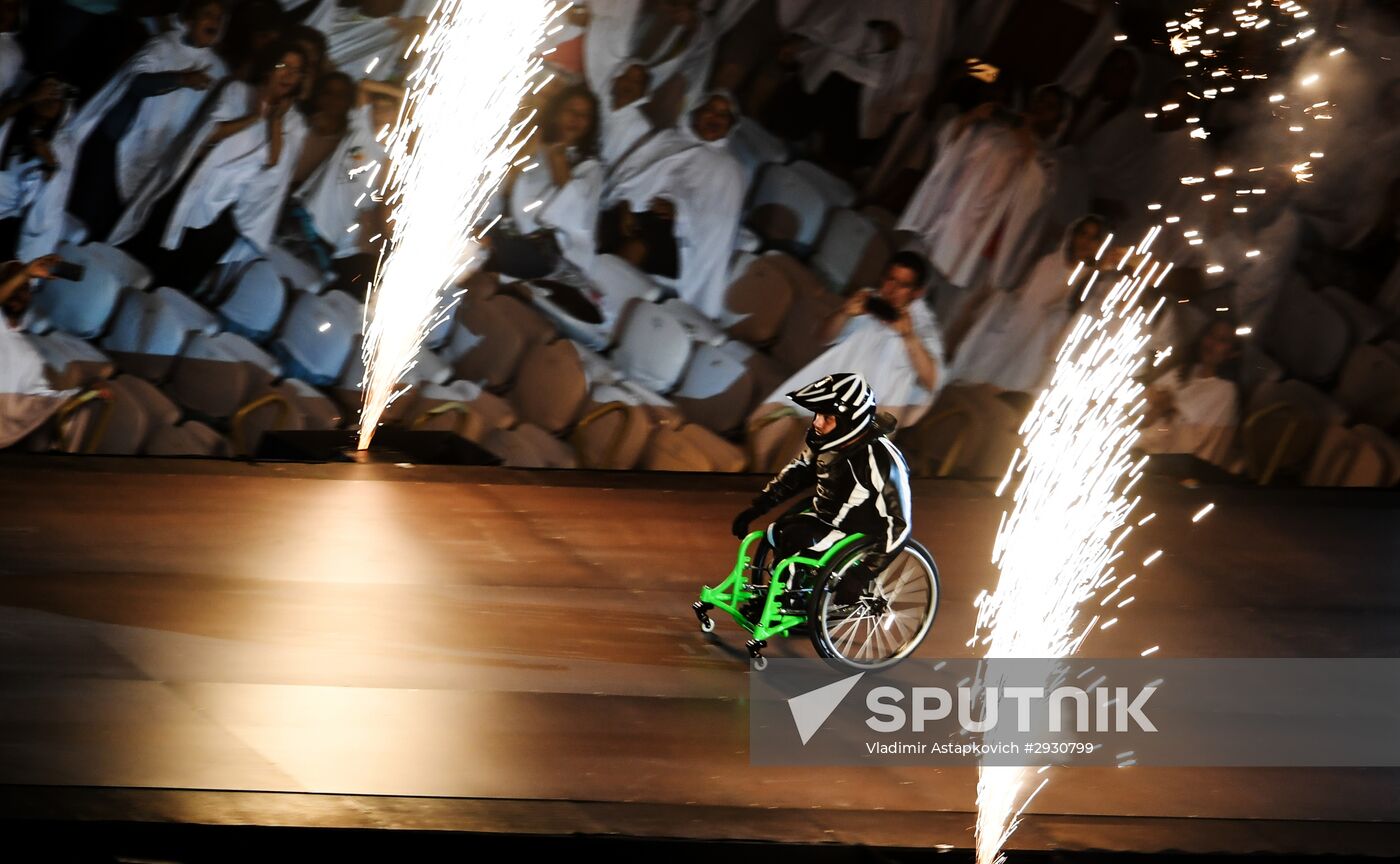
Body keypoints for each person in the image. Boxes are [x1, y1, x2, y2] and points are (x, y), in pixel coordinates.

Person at [22, 0, 227, 252]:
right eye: (208, 14)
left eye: (219, 18)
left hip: (151, 158)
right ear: (190, 20)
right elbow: (136, 83)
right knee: (78, 219)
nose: (214, 22)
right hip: (113, 146)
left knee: (100, 231)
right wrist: (181, 78)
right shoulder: (164, 45)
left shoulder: (219, 70)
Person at [109, 41, 307, 293]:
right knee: (146, 252)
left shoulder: (296, 123)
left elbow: (274, 163)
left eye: (296, 70)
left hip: (227, 204)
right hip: (192, 180)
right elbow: (209, 134)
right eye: (283, 66)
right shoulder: (237, 91)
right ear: (269, 69)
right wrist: (255, 117)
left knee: (177, 276)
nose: (288, 74)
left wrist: (275, 121)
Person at [731, 372, 913, 607]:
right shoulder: (828, 443)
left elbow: (899, 524)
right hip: (826, 517)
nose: (817, 423)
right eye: (817, 414)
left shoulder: (880, 459)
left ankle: (790, 599)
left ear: (850, 420)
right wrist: (758, 507)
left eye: (827, 417)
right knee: (777, 531)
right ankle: (784, 593)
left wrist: (864, 572)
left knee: (798, 543)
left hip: (858, 529)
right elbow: (795, 475)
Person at [897, 84, 1070, 323]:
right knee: (905, 276)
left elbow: (1036, 193)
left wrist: (1025, 138)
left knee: (943, 313)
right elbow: (950, 143)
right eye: (1040, 101)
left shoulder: (1048, 161)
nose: (1041, 108)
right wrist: (973, 117)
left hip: (980, 244)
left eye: (1050, 107)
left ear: (1059, 121)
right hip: (946, 222)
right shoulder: (995, 131)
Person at [753, 250, 945, 429]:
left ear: (917, 293)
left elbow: (933, 382)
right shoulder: (870, 299)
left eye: (902, 285)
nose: (892, 289)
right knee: (763, 425)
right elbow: (822, 337)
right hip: (831, 393)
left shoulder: (923, 327)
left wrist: (909, 337)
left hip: (867, 414)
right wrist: (844, 313)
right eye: (890, 279)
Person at [945, 214, 1107, 392]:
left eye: (1093, 238)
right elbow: (1023, 290)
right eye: (1083, 234)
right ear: (1073, 235)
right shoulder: (1048, 262)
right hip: (1017, 321)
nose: (1085, 241)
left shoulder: (1090, 278)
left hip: (1042, 340)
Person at [1137, 318, 1243, 469]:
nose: (1211, 344)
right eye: (1211, 336)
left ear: (1232, 352)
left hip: (1171, 465)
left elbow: (1203, 445)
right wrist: (1157, 407)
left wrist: (1169, 407)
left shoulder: (1225, 390)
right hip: (1143, 448)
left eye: (1222, 340)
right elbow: (1143, 409)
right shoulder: (1182, 371)